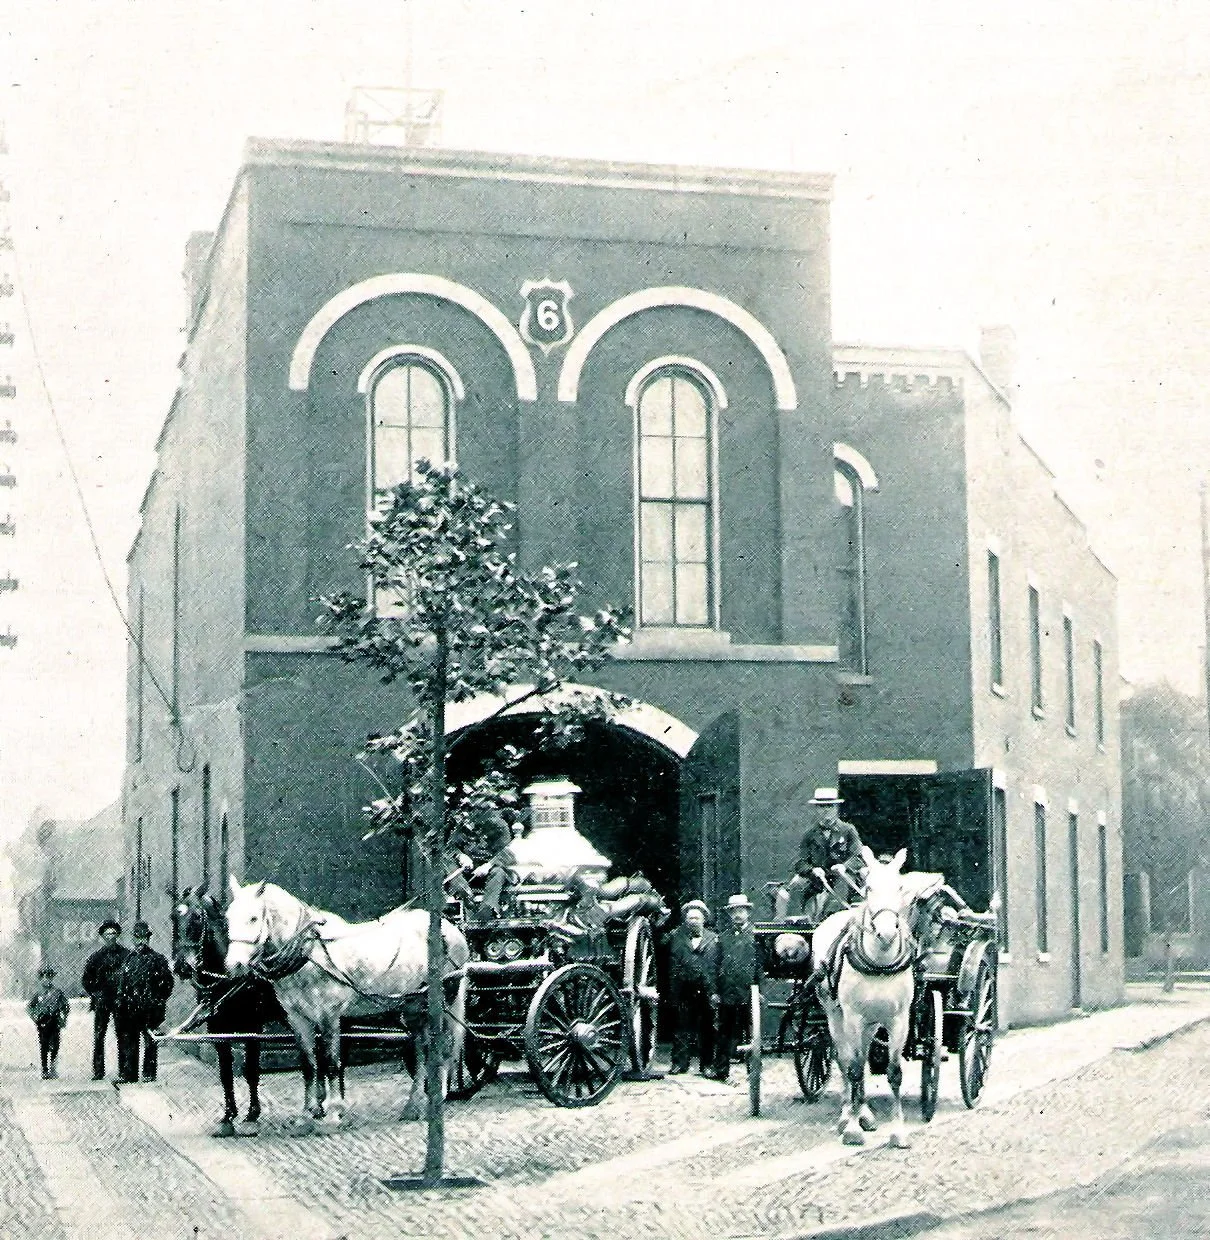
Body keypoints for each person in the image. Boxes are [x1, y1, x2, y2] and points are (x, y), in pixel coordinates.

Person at [781, 787, 866, 919]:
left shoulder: (848, 830)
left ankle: (832, 916)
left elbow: (858, 857)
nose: (826, 810)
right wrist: (812, 870)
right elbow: (800, 862)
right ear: (816, 810)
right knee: (796, 886)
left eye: (830, 806)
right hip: (818, 880)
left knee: (842, 887)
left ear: (836, 808)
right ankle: (796, 922)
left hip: (842, 878)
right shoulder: (810, 835)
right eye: (821, 806)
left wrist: (844, 866)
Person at [709, 894, 763, 1082]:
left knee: (752, 1032)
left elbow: (761, 967)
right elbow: (714, 966)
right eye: (734, 912)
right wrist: (715, 991)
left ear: (748, 912)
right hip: (727, 992)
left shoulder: (756, 936)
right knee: (724, 1031)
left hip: (749, 993)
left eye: (741, 911)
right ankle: (721, 1070)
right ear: (730, 915)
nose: (737, 915)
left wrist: (760, 991)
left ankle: (753, 1072)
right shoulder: (723, 938)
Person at [114, 921, 175, 1084]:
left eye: (144, 938)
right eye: (138, 938)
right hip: (131, 1009)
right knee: (130, 1042)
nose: (141, 941)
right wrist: (121, 1002)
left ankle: (149, 1074)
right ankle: (130, 1075)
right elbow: (122, 983)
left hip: (151, 1009)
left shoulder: (158, 959)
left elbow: (168, 983)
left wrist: (159, 1000)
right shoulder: (129, 959)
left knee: (150, 1042)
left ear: (148, 939)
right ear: (133, 939)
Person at [666, 899, 718, 1075]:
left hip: (707, 989)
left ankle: (707, 1065)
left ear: (704, 919)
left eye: (697, 918)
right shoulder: (675, 936)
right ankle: (680, 1063)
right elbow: (660, 946)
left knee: (707, 1028)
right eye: (690, 918)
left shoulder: (714, 939)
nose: (693, 921)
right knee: (681, 1026)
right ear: (685, 921)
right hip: (683, 989)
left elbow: (718, 965)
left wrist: (715, 991)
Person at [81, 919, 129, 1081]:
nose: (110, 937)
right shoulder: (96, 958)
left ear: (118, 935)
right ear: (102, 936)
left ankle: (123, 1070)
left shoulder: (126, 955)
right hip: (102, 1002)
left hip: (120, 1001)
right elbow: (86, 980)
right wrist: (95, 994)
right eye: (107, 934)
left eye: (113, 934)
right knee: (99, 1035)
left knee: (122, 1035)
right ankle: (98, 1070)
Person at [27, 965, 69, 1080]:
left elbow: (66, 1006)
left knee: (55, 1044)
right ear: (40, 978)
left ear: (52, 978)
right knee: (44, 1045)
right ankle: (45, 1069)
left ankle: (53, 1067)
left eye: (49, 976)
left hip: (55, 1020)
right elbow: (30, 1007)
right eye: (44, 977)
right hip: (43, 1021)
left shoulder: (57, 992)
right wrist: (35, 1017)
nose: (47, 979)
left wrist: (63, 1018)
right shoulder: (38, 993)